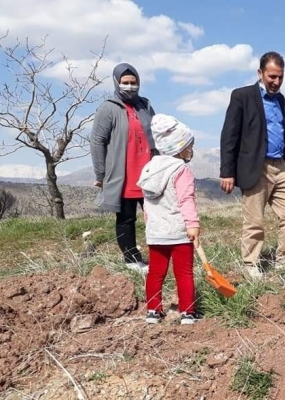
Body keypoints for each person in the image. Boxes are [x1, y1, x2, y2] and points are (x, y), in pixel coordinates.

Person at [219, 51, 285, 280]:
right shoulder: (242, 96)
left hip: (280, 165)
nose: (276, 82)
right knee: (254, 220)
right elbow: (229, 135)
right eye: (272, 76)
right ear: (260, 73)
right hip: (256, 166)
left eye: (280, 77)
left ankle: (284, 258)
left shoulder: (280, 99)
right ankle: (251, 262)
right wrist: (227, 171)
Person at [90, 63, 156, 274]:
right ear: (117, 83)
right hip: (124, 174)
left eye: (133, 82)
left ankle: (158, 256)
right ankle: (131, 259)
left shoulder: (145, 105)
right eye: (125, 83)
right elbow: (97, 141)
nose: (130, 86)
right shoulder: (108, 107)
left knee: (155, 216)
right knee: (126, 218)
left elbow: (157, 132)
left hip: (149, 173)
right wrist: (100, 173)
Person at [137, 114, 202, 325]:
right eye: (189, 145)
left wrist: (152, 225)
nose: (191, 149)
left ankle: (153, 311)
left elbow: (147, 205)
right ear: (179, 147)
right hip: (178, 233)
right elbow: (186, 200)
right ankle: (187, 312)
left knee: (155, 272)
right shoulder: (181, 170)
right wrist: (192, 225)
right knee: (183, 273)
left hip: (155, 233)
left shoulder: (149, 169)